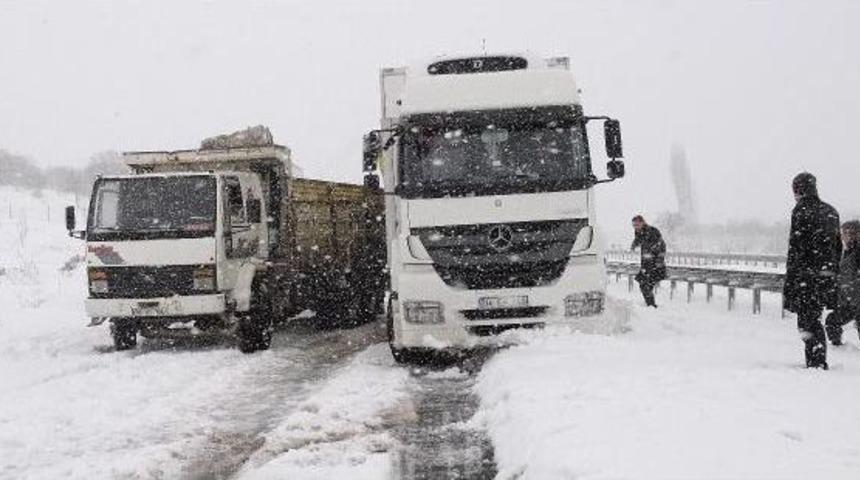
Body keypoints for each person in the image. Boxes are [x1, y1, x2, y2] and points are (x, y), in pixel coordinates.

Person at [783, 173, 842, 369]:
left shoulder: (801, 211)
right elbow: (837, 247)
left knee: (807, 321)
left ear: (798, 189)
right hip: (826, 276)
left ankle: (816, 362)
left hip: (806, 277)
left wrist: (791, 282)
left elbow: (796, 249)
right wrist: (833, 274)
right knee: (814, 317)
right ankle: (815, 359)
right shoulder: (831, 211)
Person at [825, 220, 860, 346]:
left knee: (833, 322)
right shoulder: (846, 252)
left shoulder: (856, 251)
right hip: (849, 302)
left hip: (855, 302)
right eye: (845, 233)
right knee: (832, 321)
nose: (848, 236)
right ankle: (838, 349)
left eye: (852, 233)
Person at [630, 215, 667, 307]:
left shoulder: (652, 231)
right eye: (634, 225)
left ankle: (651, 306)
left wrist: (659, 259)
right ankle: (651, 305)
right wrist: (634, 245)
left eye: (637, 225)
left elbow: (662, 245)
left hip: (655, 264)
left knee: (645, 285)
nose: (635, 227)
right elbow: (638, 239)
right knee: (644, 284)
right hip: (646, 264)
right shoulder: (639, 232)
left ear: (643, 222)